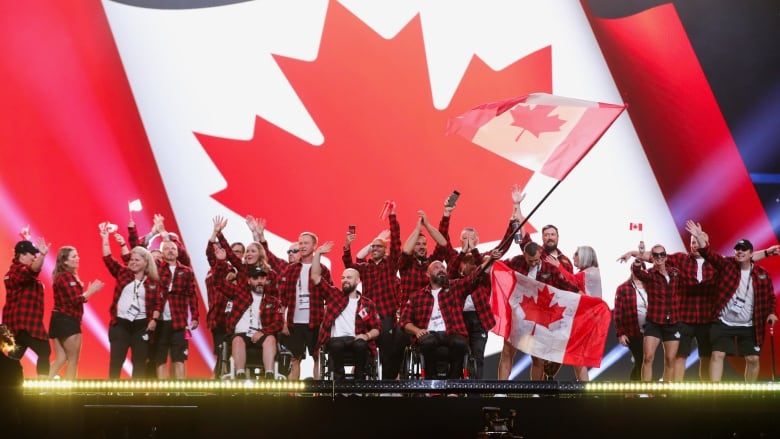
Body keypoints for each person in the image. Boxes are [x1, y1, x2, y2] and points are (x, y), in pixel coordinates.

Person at [686, 221, 778, 381]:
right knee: (717, 354)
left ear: (751, 253)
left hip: (749, 324)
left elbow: (770, 297)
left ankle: (750, 394)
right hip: (724, 322)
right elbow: (708, 253)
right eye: (737, 250)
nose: (740, 252)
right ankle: (714, 395)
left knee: (753, 359)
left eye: (744, 250)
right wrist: (699, 236)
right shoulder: (727, 265)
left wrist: (771, 313)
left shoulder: (761, 274)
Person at [400, 254, 497, 379]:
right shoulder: (417, 296)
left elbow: (475, 276)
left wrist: (490, 260)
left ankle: (453, 383)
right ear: (428, 274)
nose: (441, 269)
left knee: (460, 343)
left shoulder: (455, 287)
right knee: (427, 342)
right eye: (436, 267)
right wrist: (417, 331)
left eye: (443, 267)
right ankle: (432, 383)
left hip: (451, 332)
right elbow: (404, 321)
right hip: (429, 334)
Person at [501, 241, 578, 380]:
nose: (533, 263)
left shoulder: (550, 269)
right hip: (518, 316)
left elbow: (567, 286)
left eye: (536, 260)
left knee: (538, 359)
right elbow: (498, 266)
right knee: (507, 352)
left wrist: (583, 296)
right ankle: (500, 393)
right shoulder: (516, 261)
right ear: (524, 255)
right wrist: (488, 259)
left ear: (540, 254)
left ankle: (536, 394)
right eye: (530, 261)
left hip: (539, 320)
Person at [342, 207, 402, 379]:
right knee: (363, 349)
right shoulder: (365, 268)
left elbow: (397, 243)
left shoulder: (391, 264)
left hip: (386, 316)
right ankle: (360, 382)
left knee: (387, 353)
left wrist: (392, 216)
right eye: (372, 247)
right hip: (368, 316)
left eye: (378, 246)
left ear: (385, 250)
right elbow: (349, 264)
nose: (374, 249)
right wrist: (347, 245)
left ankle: (389, 387)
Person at [311, 241, 381, 380]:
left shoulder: (367, 304)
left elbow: (377, 328)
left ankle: (359, 379)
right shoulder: (334, 295)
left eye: (348, 278)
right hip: (337, 340)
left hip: (356, 338)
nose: (344, 280)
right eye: (343, 278)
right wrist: (318, 254)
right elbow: (315, 277)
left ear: (357, 281)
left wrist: (366, 336)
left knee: (361, 345)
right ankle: (339, 381)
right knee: (335, 344)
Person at [102, 226, 161, 379]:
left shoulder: (152, 281)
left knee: (139, 362)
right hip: (120, 325)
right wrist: (105, 238)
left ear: (146, 262)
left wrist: (154, 319)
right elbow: (108, 258)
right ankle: (112, 393)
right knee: (116, 361)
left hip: (141, 327)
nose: (133, 262)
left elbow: (157, 303)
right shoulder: (123, 273)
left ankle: (137, 396)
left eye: (136, 260)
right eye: (132, 260)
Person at [216, 249, 284, 379]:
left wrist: (263, 332)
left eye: (262, 278)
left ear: (266, 280)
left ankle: (269, 376)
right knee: (237, 340)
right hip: (241, 335)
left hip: (262, 334)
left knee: (271, 339)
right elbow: (219, 283)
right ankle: (240, 375)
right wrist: (220, 262)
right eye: (255, 278)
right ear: (249, 280)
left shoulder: (273, 300)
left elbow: (279, 323)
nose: (259, 281)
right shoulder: (240, 294)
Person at [631, 243, 694, 381]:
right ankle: (647, 393)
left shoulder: (675, 273)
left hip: (672, 322)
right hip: (654, 322)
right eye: (656, 255)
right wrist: (639, 258)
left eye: (662, 254)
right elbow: (637, 272)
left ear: (666, 257)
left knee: (671, 360)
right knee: (648, 358)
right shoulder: (650, 274)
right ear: (652, 258)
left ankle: (666, 394)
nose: (659, 257)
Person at [545, 245, 601, 381]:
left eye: (576, 254)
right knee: (576, 360)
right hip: (579, 320)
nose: (573, 256)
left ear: (585, 256)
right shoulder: (587, 272)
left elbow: (572, 282)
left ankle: (582, 390)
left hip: (584, 321)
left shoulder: (591, 272)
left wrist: (559, 266)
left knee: (577, 359)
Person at [279, 231, 330, 380]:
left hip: (316, 322)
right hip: (294, 323)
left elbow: (330, 298)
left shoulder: (323, 269)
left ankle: (318, 396)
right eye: (300, 243)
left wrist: (325, 323)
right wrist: (283, 322)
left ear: (314, 246)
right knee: (294, 359)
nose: (302, 246)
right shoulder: (290, 270)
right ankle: (292, 396)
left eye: (306, 243)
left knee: (317, 359)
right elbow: (282, 299)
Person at [48, 246, 105, 379]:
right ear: (65, 261)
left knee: (61, 358)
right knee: (73, 360)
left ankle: (42, 386)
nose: (77, 258)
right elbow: (74, 300)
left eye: (77, 255)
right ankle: (70, 394)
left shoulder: (66, 276)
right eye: (74, 256)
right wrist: (91, 292)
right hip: (67, 320)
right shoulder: (66, 277)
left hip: (58, 320)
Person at [3, 239, 51, 377]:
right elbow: (33, 270)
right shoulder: (18, 271)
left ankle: (7, 387)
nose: (34, 257)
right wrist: (42, 255)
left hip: (16, 325)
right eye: (32, 254)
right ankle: (44, 389)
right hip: (25, 324)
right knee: (44, 350)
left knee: (13, 357)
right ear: (21, 256)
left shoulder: (14, 272)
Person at [153, 239, 199, 379]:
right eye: (167, 248)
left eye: (173, 248)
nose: (170, 250)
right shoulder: (156, 271)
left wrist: (195, 316)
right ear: (162, 253)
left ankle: (179, 392)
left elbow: (192, 295)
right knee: (160, 359)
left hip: (179, 321)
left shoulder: (186, 271)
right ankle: (163, 393)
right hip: (159, 322)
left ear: (178, 252)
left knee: (179, 358)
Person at [613, 269, 647, 381]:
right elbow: (618, 313)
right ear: (631, 271)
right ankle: (636, 390)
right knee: (641, 360)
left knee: (644, 360)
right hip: (633, 331)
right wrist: (621, 334)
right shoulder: (623, 288)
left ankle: (632, 391)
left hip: (650, 331)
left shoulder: (650, 286)